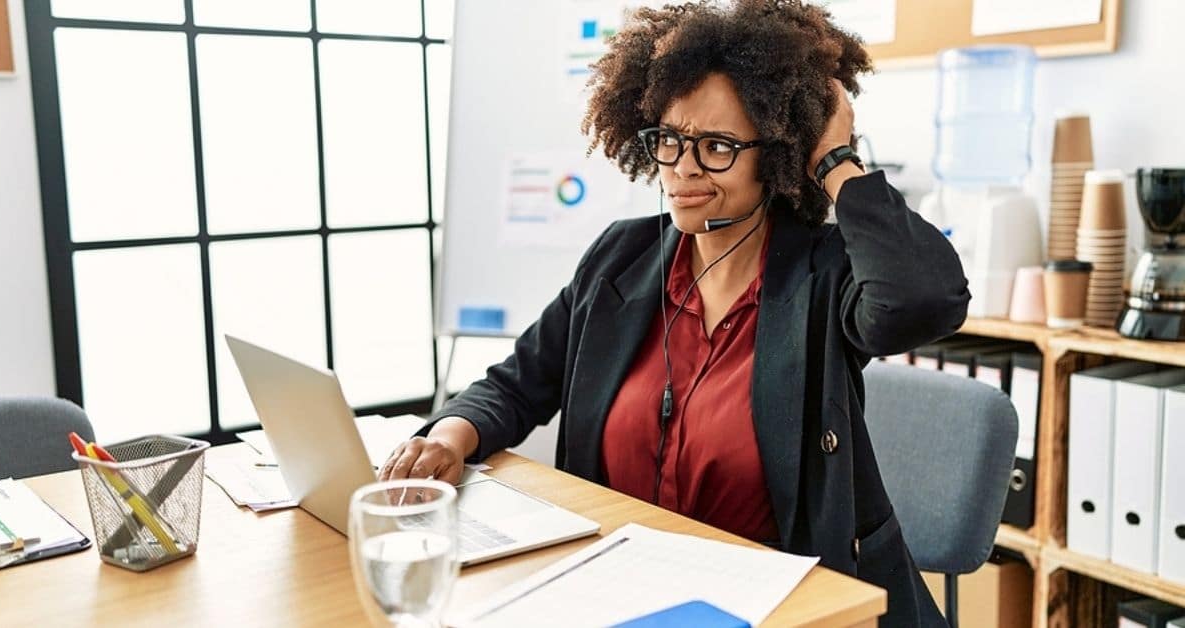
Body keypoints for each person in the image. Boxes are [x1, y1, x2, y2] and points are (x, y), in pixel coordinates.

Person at [380, 1, 968, 625]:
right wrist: (449, 435)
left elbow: (925, 300)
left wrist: (833, 159)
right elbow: (520, 382)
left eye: (716, 146)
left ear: (774, 155)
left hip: (786, 603)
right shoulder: (621, 256)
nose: (683, 168)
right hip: (627, 591)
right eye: (669, 141)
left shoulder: (824, 272)